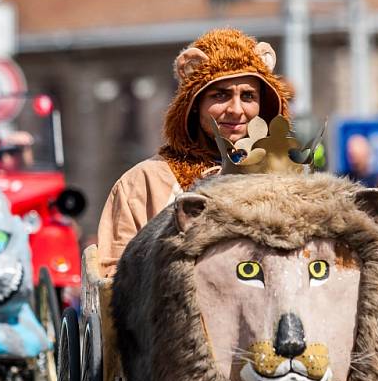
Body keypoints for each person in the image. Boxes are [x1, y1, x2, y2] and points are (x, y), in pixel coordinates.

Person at [97, 28, 292, 277]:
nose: (236, 109)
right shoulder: (144, 182)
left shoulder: (285, 179)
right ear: (193, 105)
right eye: (220, 95)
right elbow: (113, 281)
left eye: (248, 96)